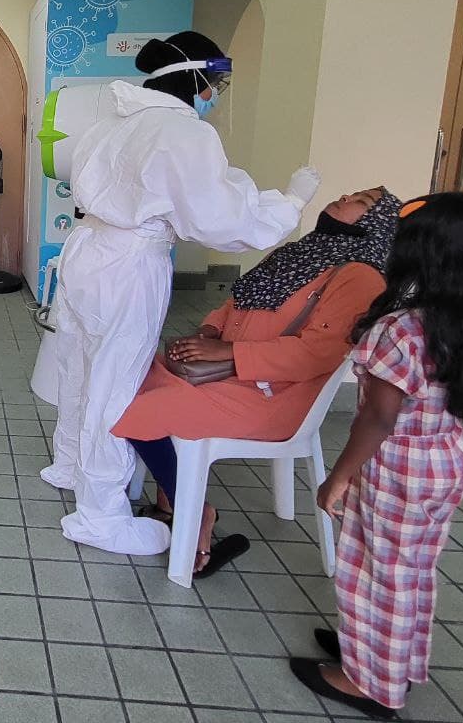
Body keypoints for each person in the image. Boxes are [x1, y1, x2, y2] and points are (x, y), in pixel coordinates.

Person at [40, 30, 322, 556]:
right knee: (115, 380)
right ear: (194, 78)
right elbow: (222, 222)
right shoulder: (183, 134)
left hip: (85, 252)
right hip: (128, 264)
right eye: (215, 82)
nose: (216, 93)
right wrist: (288, 204)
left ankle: (71, 466)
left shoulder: (109, 124)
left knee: (78, 365)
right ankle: (100, 513)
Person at [289, 193, 463, 719]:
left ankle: (369, 684)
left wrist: (338, 477)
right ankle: (391, 661)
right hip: (445, 460)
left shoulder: (402, 328)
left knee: (374, 571)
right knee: (410, 569)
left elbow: (377, 418)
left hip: (397, 467)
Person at [114, 187, 401, 576]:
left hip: (274, 395)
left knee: (141, 407)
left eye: (362, 201)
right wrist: (211, 332)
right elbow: (235, 301)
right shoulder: (300, 252)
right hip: (230, 374)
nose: (345, 196)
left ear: (374, 224)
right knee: (128, 380)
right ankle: (171, 499)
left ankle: (195, 513)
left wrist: (230, 354)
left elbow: (314, 353)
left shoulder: (360, 277)